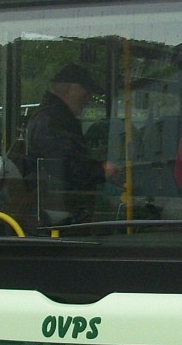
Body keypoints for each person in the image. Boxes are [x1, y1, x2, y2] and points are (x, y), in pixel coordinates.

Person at [24, 64, 119, 227]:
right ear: (66, 88)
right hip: (59, 214)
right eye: (86, 92)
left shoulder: (48, 116)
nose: (88, 99)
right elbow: (64, 167)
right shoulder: (53, 121)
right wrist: (101, 170)